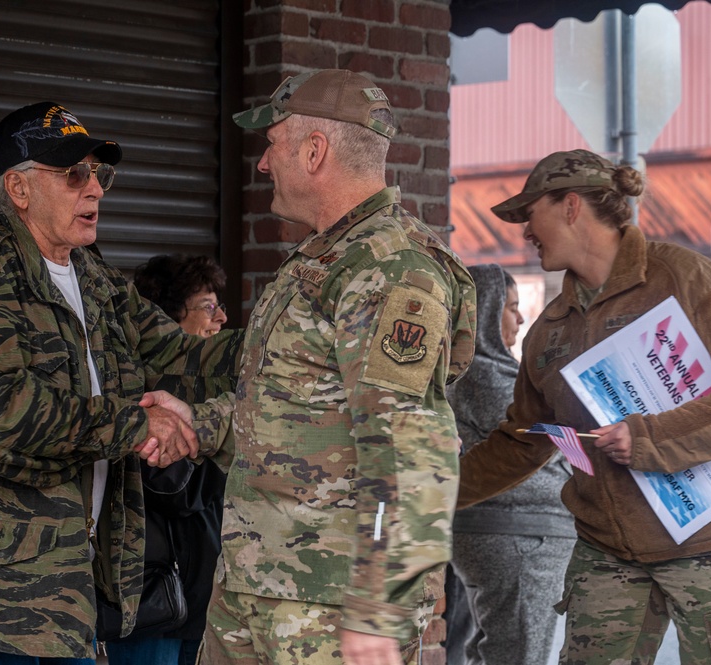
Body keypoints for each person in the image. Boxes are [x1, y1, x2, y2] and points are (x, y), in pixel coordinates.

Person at [0, 102, 242, 664]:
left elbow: (181, 356)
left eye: (99, 174)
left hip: (67, 592)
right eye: (74, 174)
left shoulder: (93, 276)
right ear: (19, 188)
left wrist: (293, 340)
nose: (96, 190)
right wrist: (135, 424)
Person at [155, 68, 478, 665]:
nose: (261, 163)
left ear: (314, 150)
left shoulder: (391, 270)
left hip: (330, 608)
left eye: (271, 143)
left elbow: (410, 451)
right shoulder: (323, 257)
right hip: (258, 583)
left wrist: (379, 609)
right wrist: (197, 428)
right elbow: (292, 405)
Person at [455, 149, 711, 664]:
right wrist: (431, 493)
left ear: (571, 206)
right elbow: (522, 441)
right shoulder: (548, 332)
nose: (524, 230)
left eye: (531, 213)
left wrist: (650, 436)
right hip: (607, 550)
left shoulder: (686, 279)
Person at [443, 265, 575, 665]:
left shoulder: (492, 371)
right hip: (518, 538)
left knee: (495, 649)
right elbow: (541, 445)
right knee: (518, 655)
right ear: (484, 311)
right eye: (510, 307)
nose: (520, 318)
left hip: (514, 533)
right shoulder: (484, 375)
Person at [106, 254, 232, 665]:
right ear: (168, 320)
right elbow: (174, 487)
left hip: (195, 595)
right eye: (208, 306)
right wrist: (226, 446)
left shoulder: (200, 391)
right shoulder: (144, 391)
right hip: (156, 595)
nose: (222, 317)